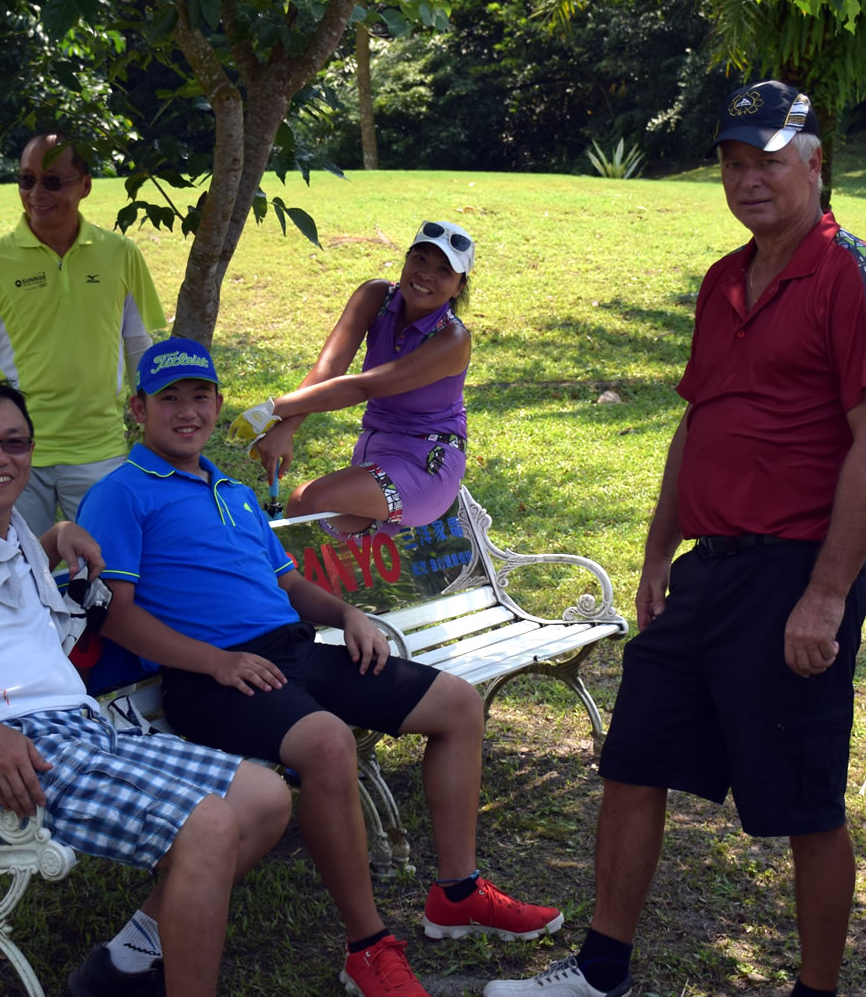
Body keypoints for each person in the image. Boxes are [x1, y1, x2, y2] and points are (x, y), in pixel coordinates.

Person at [486, 81, 866, 997]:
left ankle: (815, 990)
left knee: (804, 801)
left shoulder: (861, 275)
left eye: (767, 160)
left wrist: (826, 595)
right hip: (707, 571)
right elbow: (698, 423)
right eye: (732, 163)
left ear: (814, 163)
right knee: (633, 761)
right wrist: (658, 553)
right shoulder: (725, 280)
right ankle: (602, 970)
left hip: (795, 571)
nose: (748, 178)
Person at [78, 338, 562, 997]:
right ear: (139, 409)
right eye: (169, 399)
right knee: (329, 743)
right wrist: (217, 661)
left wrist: (349, 614)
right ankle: (367, 948)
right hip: (210, 679)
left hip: (294, 652)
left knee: (457, 704)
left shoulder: (233, 493)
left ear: (217, 405)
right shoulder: (120, 494)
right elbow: (115, 616)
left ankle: (457, 894)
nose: (187, 411)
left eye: (200, 396)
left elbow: (289, 586)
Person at [0, 378, 290, 997]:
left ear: (31, 452)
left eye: (13, 442)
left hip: (82, 730)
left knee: (265, 798)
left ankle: (128, 960)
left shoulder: (8, 538)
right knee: (210, 825)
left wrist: (56, 537)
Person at [0, 133, 166, 536]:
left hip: (100, 449)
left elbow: (138, 345)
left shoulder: (121, 254)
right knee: (18, 565)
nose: (36, 193)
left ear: (85, 185)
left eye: (52, 181)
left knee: (106, 563)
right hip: (15, 452)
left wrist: (156, 421)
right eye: (26, 180)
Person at [227, 220, 473, 539]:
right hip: (375, 450)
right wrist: (286, 428)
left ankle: (284, 576)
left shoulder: (452, 340)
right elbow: (329, 367)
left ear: (458, 287)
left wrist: (274, 409)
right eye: (419, 259)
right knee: (332, 542)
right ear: (406, 260)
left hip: (426, 462)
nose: (426, 274)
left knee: (306, 501)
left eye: (444, 271)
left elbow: (364, 386)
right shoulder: (376, 296)